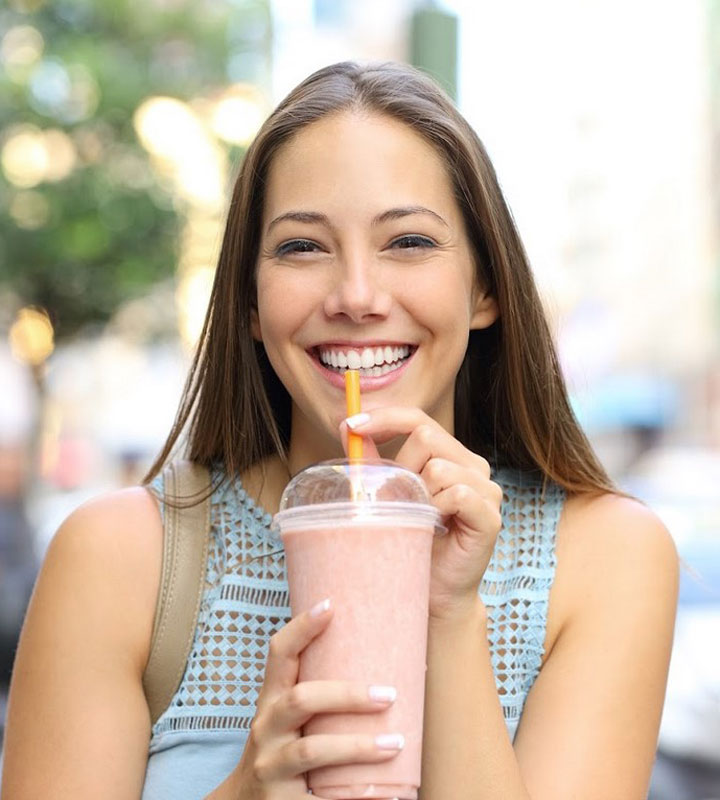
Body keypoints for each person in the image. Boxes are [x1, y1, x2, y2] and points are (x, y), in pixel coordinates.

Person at [1, 61, 678, 799]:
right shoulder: (118, 560)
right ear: (251, 304)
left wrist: (448, 616)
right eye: (303, 247)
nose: (356, 295)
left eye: (409, 242)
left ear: (485, 287)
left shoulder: (607, 557)